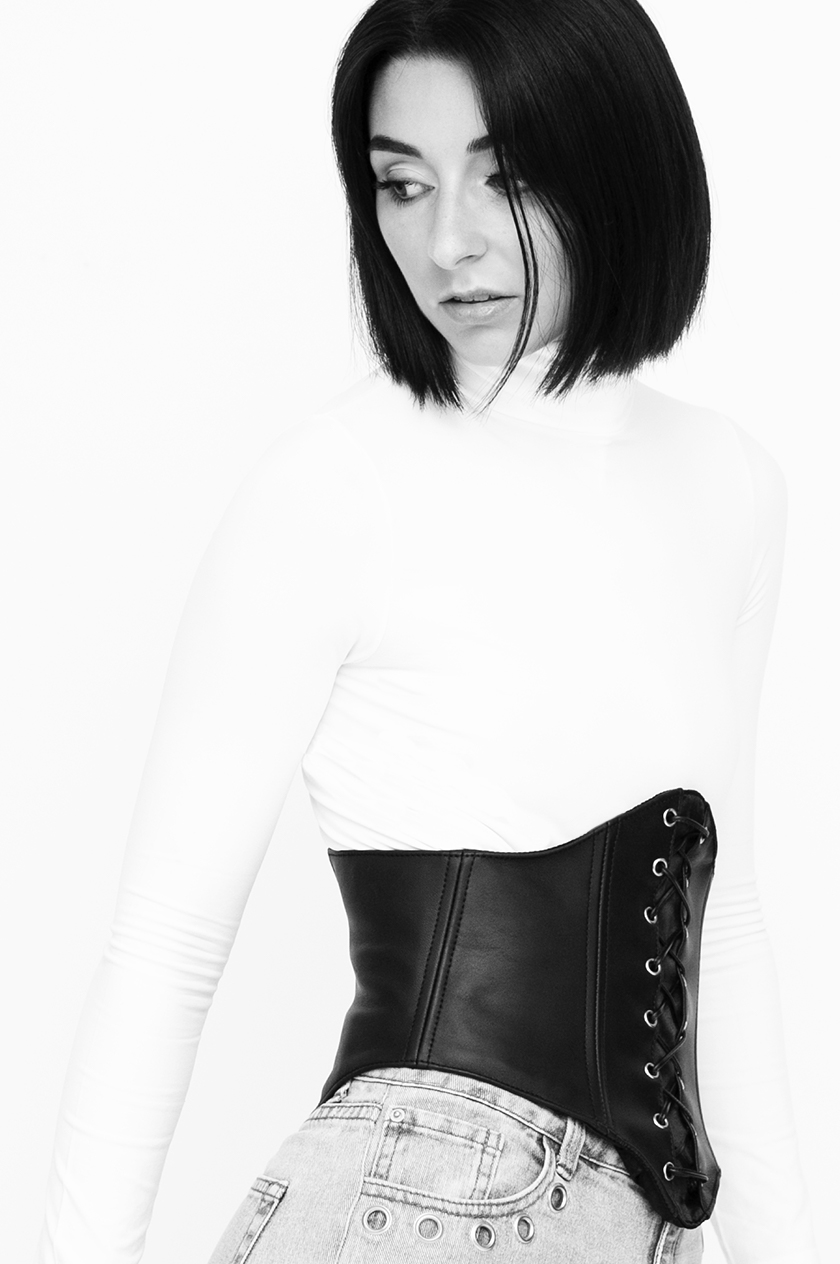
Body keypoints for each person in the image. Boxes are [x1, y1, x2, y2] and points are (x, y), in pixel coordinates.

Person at [37, 1, 820, 1261]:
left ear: (620, 157)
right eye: (403, 185)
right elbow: (166, 946)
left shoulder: (730, 485)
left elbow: (720, 931)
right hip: (406, 1209)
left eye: (505, 176)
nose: (448, 240)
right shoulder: (336, 487)